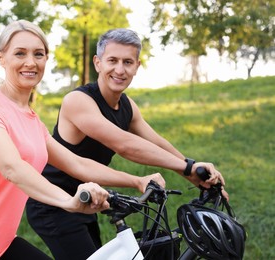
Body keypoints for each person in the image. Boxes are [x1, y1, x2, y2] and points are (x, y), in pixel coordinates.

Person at [0, 20, 156, 260]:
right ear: (1, 58)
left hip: (0, 245)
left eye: (38, 54)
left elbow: (77, 164)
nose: (30, 62)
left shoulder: (32, 121)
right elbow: (13, 168)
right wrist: (68, 201)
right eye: (20, 53)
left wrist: (137, 181)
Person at [26, 28, 228, 260]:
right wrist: (186, 167)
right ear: (98, 63)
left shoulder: (127, 106)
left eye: (127, 62)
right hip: (53, 203)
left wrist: (193, 170)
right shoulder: (78, 101)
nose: (120, 70)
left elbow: (156, 142)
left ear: (137, 66)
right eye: (112, 60)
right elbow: (125, 144)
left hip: (90, 198)